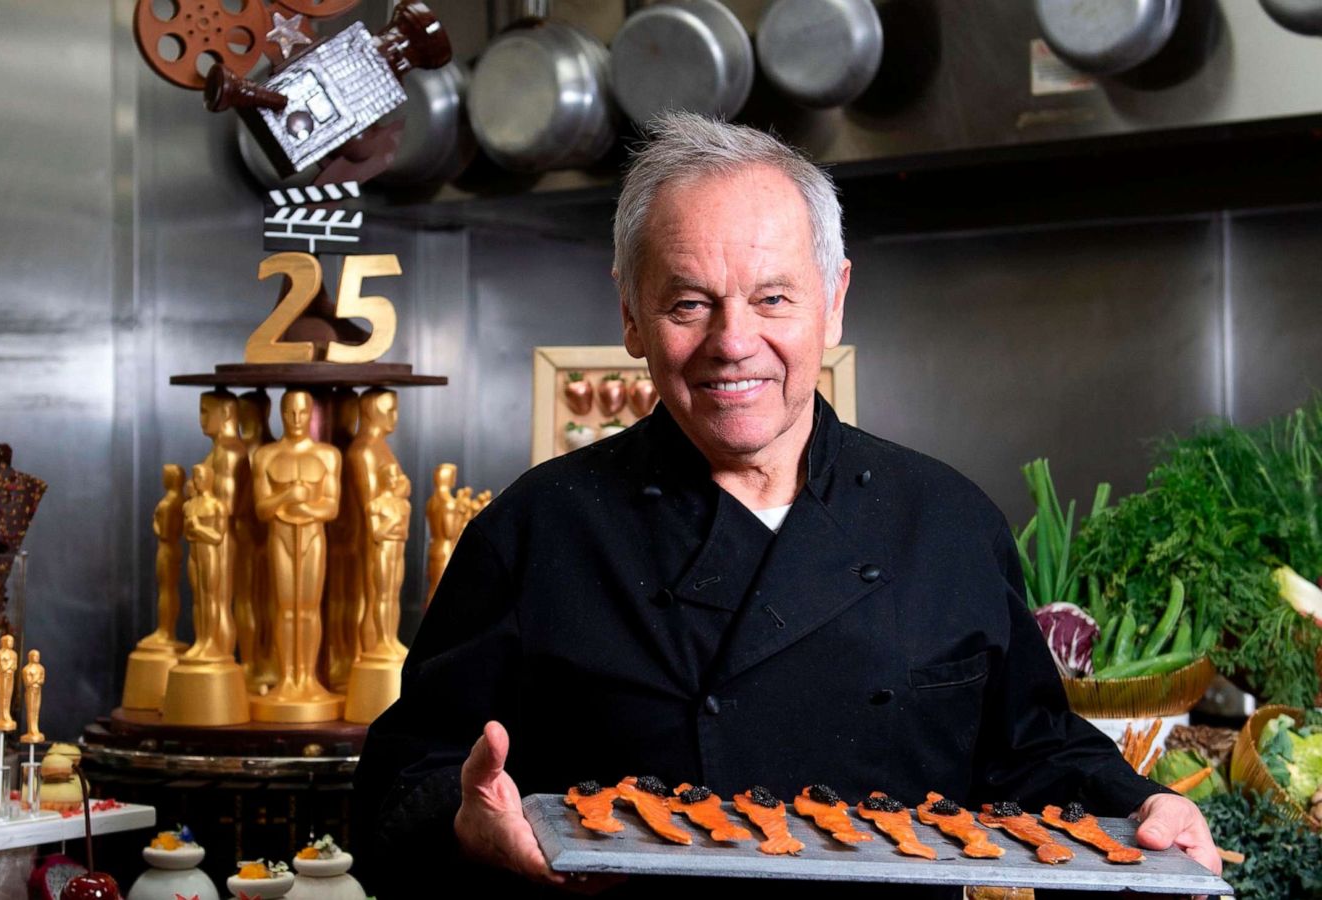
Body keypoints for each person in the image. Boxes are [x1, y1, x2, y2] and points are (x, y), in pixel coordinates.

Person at [351, 112, 1218, 898]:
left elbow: (1030, 750)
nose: (733, 343)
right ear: (630, 316)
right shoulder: (536, 530)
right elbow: (399, 786)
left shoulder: (946, 521)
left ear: (833, 301)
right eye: (689, 303)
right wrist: (465, 827)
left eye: (773, 298)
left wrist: (1140, 804)